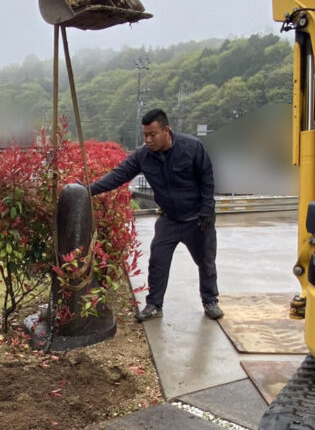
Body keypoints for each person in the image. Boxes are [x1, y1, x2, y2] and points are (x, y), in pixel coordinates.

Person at [88, 108, 222, 320]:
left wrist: (207, 209)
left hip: (197, 219)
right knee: (158, 261)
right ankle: (154, 305)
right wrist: (88, 190)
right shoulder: (143, 155)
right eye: (145, 135)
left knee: (206, 261)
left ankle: (210, 301)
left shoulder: (192, 146)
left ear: (166, 130)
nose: (148, 140)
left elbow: (207, 178)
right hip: (169, 219)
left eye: (152, 134)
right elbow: (118, 175)